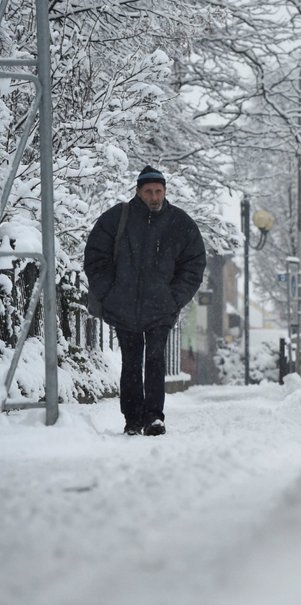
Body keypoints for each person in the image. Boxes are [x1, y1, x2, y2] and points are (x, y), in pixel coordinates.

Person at [84, 165, 206, 436]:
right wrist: (109, 294)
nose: (154, 196)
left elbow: (194, 264)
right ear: (138, 192)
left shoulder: (179, 223)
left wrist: (174, 298)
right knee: (131, 362)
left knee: (155, 359)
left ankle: (154, 417)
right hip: (123, 305)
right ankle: (132, 418)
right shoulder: (117, 218)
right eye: (149, 191)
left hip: (160, 307)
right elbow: (95, 258)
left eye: (159, 191)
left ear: (165, 191)